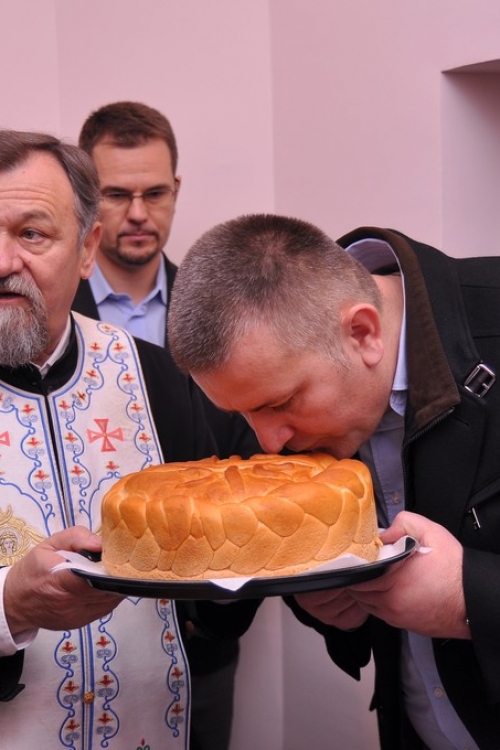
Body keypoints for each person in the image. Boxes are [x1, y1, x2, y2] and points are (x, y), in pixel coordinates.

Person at [167, 213, 500, 750]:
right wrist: (330, 608)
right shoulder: (294, 372)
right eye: (243, 415)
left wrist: (470, 598)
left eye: (279, 403)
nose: (268, 443)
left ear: (362, 333)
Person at [0, 127, 253, 750]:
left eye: (31, 234)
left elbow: (215, 559)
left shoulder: (156, 373)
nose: (3, 262)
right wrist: (9, 606)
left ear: (87, 249)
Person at [72, 101, 260, 750]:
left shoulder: (226, 315)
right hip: (74, 639)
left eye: (154, 194)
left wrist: (214, 614)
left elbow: (251, 459)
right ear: (86, 198)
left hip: (200, 641)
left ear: (176, 190)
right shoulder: (43, 319)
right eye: (116, 194)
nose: (137, 213)